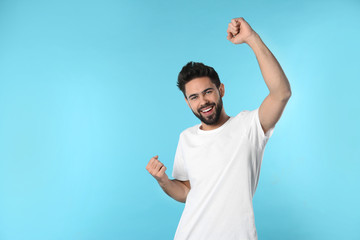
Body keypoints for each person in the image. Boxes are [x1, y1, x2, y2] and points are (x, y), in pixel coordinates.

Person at [145, 17, 291, 240]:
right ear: (187, 102)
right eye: (194, 97)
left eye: (207, 92)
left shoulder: (249, 126)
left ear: (221, 89)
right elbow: (186, 191)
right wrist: (163, 180)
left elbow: (281, 93)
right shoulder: (186, 138)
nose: (202, 101)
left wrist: (251, 38)